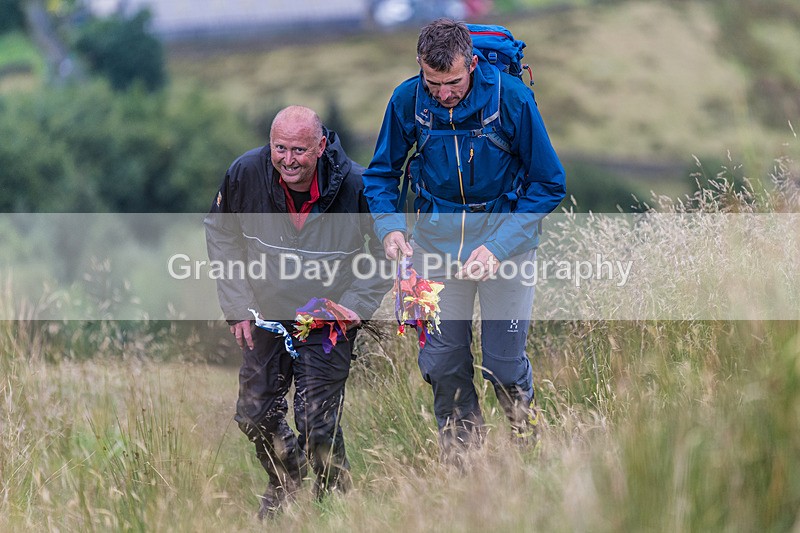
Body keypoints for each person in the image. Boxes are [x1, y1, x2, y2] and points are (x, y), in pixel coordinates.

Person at [362, 19, 566, 460]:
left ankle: (527, 446)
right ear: (420, 68)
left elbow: (549, 183)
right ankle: (464, 465)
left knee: (503, 365)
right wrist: (390, 226)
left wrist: (497, 247)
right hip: (434, 248)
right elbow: (380, 174)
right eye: (432, 82)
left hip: (506, 247)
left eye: (453, 81)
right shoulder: (406, 100)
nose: (443, 94)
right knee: (441, 363)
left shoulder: (511, 98)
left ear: (472, 63)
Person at [204, 105, 388, 518]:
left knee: (315, 422)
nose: (288, 160)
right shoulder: (244, 174)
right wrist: (236, 306)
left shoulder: (357, 185)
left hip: (328, 320)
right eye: (280, 148)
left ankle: (335, 506)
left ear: (321, 147)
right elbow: (219, 231)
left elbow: (386, 251)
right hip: (265, 313)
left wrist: (356, 306)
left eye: (300, 150)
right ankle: (287, 480)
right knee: (254, 415)